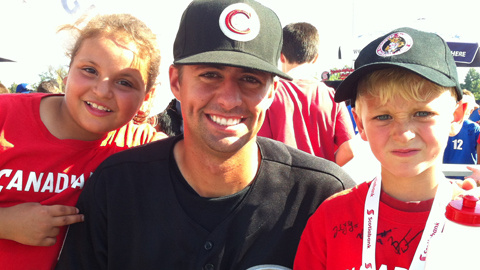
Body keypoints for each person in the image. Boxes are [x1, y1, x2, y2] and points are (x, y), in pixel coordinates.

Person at [55, 1, 356, 269]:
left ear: (272, 92)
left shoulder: (321, 196)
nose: (229, 99)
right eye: (210, 75)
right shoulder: (117, 186)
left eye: (250, 79)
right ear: (176, 82)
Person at [294, 27, 470, 270]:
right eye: (383, 117)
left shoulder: (472, 224)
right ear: (360, 125)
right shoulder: (330, 218)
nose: (404, 134)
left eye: (422, 113)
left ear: (456, 117)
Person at [0, 13, 162, 270]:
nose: (102, 90)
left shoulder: (142, 147)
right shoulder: (4, 115)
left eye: (124, 82)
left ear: (147, 97)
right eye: (90, 70)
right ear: (67, 71)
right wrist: (5, 223)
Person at [258, 22, 354, 161]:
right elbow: (349, 150)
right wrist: (327, 171)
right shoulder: (332, 96)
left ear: (281, 56)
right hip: (322, 181)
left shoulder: (269, 94)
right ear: (316, 58)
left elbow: (260, 147)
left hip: (281, 180)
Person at [443, 89, 480, 166]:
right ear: (471, 111)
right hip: (467, 174)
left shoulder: (442, 125)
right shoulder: (474, 128)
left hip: (443, 172)